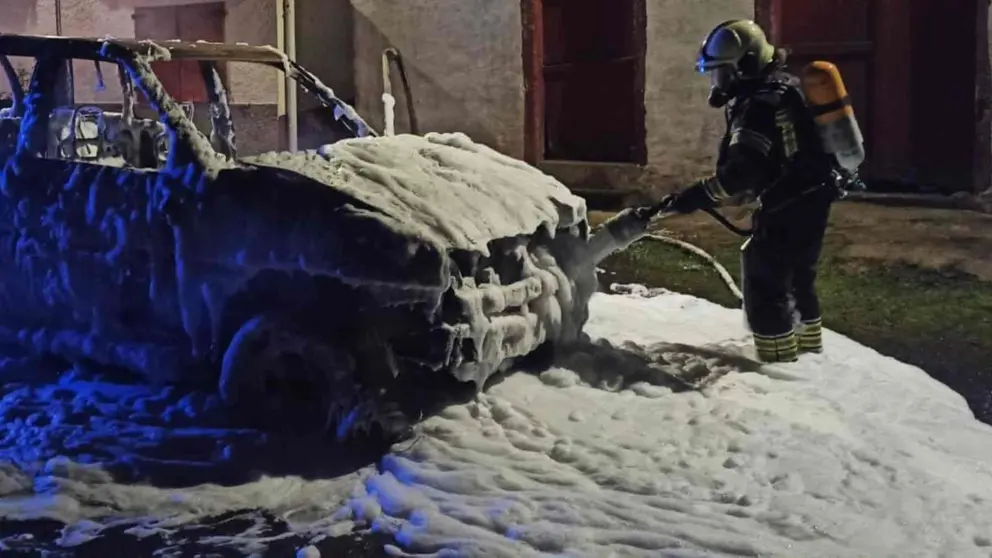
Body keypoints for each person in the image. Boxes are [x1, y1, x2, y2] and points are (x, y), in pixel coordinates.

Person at [658, 19, 838, 363]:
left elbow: (739, 175)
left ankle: (778, 364)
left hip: (791, 202)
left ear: (744, 66)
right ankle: (809, 352)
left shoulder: (758, 107)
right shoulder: (786, 87)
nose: (718, 81)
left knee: (765, 279)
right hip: (814, 195)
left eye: (721, 72)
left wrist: (692, 197)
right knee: (799, 276)